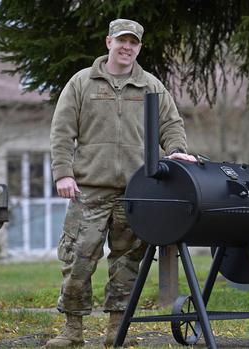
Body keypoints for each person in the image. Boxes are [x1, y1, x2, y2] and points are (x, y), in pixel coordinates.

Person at [47, 19, 196, 348]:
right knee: (77, 259)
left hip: (136, 191)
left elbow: (171, 124)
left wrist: (178, 152)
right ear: (108, 42)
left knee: (127, 263)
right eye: (122, 41)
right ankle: (72, 331)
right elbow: (61, 131)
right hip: (89, 189)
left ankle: (118, 329)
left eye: (134, 43)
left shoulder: (151, 86)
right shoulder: (82, 83)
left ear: (139, 48)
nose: (127, 47)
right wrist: (63, 173)